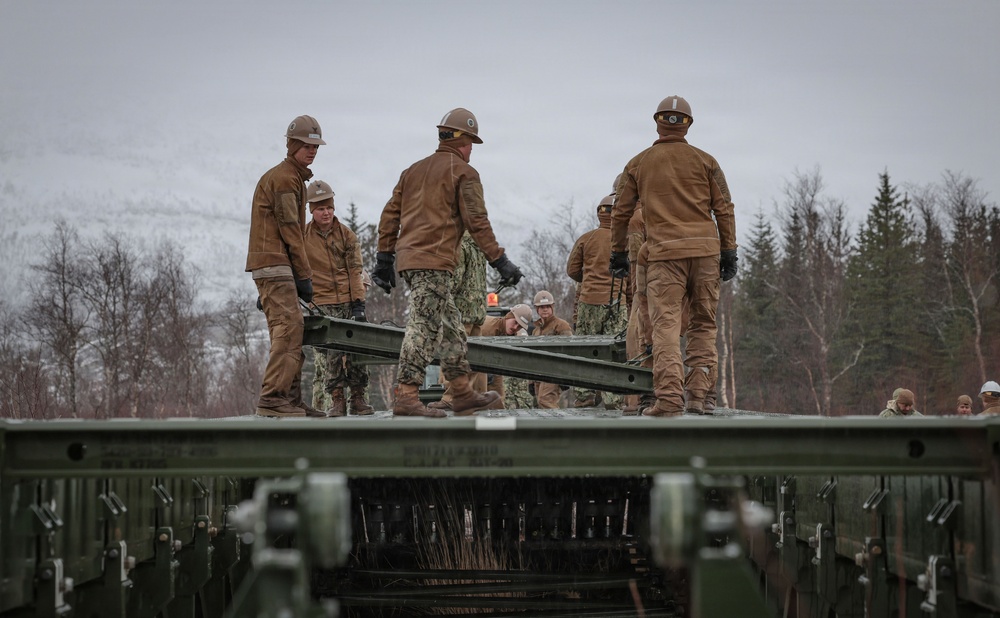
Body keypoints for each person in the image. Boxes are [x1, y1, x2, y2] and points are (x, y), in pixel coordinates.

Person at [374, 107, 524, 417]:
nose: (472, 151)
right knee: (423, 327)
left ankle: (462, 393)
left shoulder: (412, 171)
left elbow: (391, 214)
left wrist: (385, 256)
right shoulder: (464, 173)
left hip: (412, 261)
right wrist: (500, 260)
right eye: (471, 143)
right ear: (461, 140)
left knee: (453, 329)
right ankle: (407, 396)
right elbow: (477, 221)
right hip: (434, 262)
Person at [610, 95, 737, 417]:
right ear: (688, 124)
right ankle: (699, 396)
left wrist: (618, 253)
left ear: (657, 122)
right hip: (706, 252)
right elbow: (724, 208)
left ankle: (668, 399)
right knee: (704, 325)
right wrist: (729, 251)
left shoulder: (638, 163)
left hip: (665, 256)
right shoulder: (707, 161)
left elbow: (620, 212)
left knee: (665, 326)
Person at [246, 115, 326, 418]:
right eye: (307, 145)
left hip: (277, 266)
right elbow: (291, 229)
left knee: (292, 330)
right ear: (293, 144)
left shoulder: (290, 177)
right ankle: (273, 398)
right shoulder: (285, 178)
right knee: (288, 329)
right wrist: (304, 276)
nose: (312, 150)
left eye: (316, 146)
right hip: (276, 265)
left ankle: (291, 400)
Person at [303, 179, 374, 417]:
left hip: (347, 299)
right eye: (321, 208)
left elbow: (356, 270)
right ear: (312, 209)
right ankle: (336, 400)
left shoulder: (346, 235)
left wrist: (358, 305)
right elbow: (293, 267)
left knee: (356, 349)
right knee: (331, 354)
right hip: (320, 302)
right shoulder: (302, 237)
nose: (326, 212)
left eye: (329, 207)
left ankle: (357, 398)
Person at [567, 195, 630, 408]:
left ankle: (585, 396)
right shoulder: (626, 241)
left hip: (588, 302)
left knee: (586, 348)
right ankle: (613, 398)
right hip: (616, 303)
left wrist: (589, 280)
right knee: (615, 351)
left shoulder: (586, 239)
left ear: (599, 214)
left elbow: (572, 270)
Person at [427, 231, 489, 412]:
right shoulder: (479, 247)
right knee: (475, 357)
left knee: (453, 355)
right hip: (477, 310)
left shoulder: (459, 246)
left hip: (460, 311)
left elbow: (454, 279)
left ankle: (450, 398)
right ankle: (473, 396)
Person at [480, 304, 533, 407]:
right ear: (509, 316)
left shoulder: (511, 335)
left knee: (498, 402)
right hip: (472, 367)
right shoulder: (487, 328)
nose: (515, 328)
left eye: (519, 326)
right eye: (515, 322)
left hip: (494, 370)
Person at [530, 290, 573, 408]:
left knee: (546, 401)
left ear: (552, 307)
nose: (545, 309)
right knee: (540, 404)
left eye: (548, 306)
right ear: (537, 309)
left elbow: (569, 351)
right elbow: (532, 356)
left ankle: (556, 426)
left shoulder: (561, 325)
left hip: (554, 372)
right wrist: (530, 380)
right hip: (538, 374)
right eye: (542, 307)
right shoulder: (536, 330)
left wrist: (566, 375)